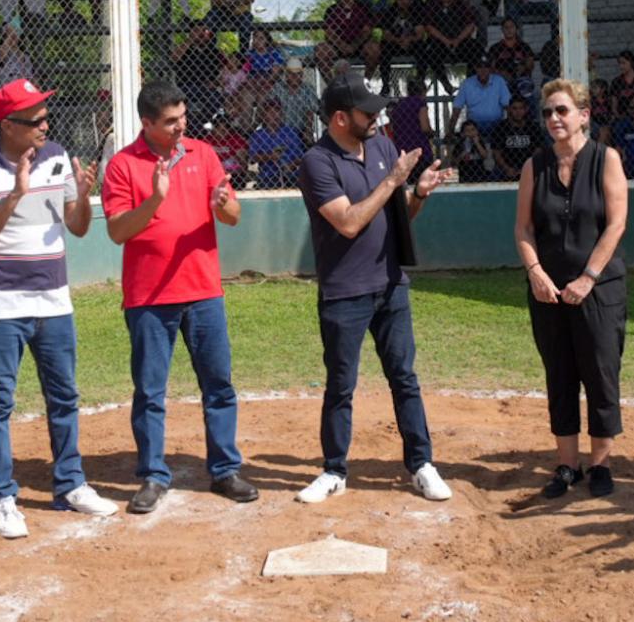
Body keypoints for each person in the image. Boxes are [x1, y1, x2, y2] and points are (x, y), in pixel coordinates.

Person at [0, 79, 116, 537]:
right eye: (36, 120)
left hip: (54, 302)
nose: (46, 125)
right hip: (2, 306)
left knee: (64, 397)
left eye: (47, 116)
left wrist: (85, 195)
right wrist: (14, 194)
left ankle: (70, 484)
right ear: (7, 125)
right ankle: (3, 498)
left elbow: (79, 227)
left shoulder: (59, 156)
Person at [293, 76, 453, 504]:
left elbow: (400, 216)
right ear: (341, 118)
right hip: (344, 292)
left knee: (404, 378)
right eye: (368, 112)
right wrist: (393, 180)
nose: (377, 117)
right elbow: (347, 222)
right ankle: (334, 471)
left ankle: (421, 464)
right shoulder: (317, 162)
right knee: (341, 385)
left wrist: (417, 193)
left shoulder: (382, 147)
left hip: (391, 285)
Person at [102, 81, 254, 512]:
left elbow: (233, 216)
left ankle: (225, 469)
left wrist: (223, 203)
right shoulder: (122, 165)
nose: (180, 127)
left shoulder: (203, 154)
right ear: (146, 123)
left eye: (183, 117)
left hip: (204, 292)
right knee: (150, 390)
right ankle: (153, 475)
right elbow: (117, 231)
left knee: (219, 385)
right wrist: (155, 200)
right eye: (170, 122)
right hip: (149, 298)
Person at [516, 77, 630, 499]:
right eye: (547, 112)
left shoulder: (606, 159)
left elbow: (616, 223)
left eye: (562, 110)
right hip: (547, 291)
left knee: (600, 372)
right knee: (559, 373)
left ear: (583, 115)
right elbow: (524, 226)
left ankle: (601, 464)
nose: (553, 119)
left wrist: (588, 277)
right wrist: (535, 271)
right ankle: (567, 464)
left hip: (599, 289)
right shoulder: (535, 165)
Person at [248, 96, 307, 190]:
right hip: (268, 176)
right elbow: (253, 157)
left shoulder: (290, 132)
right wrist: (269, 156)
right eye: (270, 112)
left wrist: (291, 165)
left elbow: (301, 156)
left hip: (290, 174)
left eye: (276, 111)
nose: (273, 115)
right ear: (264, 115)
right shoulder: (258, 135)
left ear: (281, 114)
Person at [452, 56, 511, 134]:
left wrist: (511, 126)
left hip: (497, 123)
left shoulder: (499, 81)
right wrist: (450, 131)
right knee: (467, 129)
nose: (483, 70)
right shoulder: (467, 83)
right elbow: (457, 108)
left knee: (503, 129)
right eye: (479, 67)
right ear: (475, 68)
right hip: (475, 124)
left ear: (490, 69)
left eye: (486, 67)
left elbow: (507, 105)